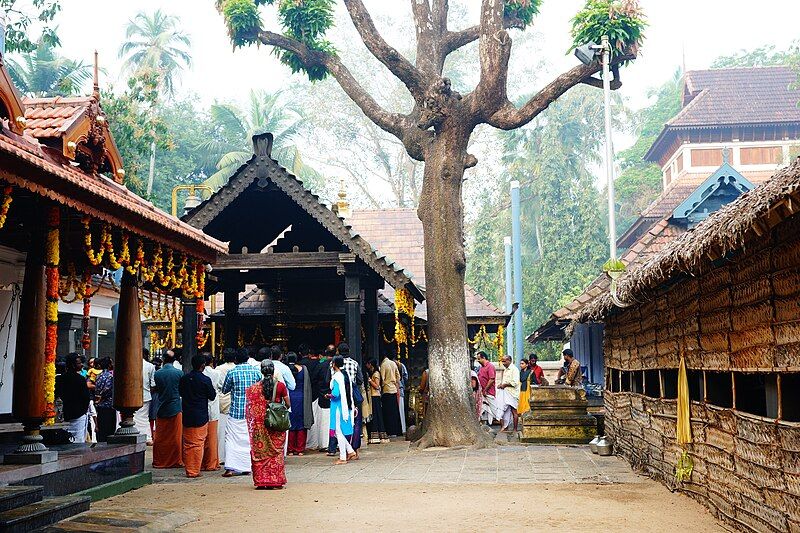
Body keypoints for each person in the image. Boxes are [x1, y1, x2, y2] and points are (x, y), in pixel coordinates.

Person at [245, 360, 289, 489]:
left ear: (261, 371)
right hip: (275, 424)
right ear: (273, 370)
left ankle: (261, 481)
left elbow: (250, 408)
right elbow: (288, 404)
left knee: (260, 452)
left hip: (259, 426)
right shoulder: (280, 386)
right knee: (276, 453)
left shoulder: (253, 388)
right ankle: (275, 480)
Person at [221, 348, 263, 477]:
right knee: (249, 440)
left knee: (231, 440)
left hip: (236, 412)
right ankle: (247, 466)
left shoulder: (232, 372)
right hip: (251, 412)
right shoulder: (256, 372)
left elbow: (224, 390)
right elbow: (261, 387)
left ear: (235, 360)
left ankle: (231, 467)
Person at [179, 355, 217, 478]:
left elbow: (180, 392)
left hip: (187, 414)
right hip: (200, 415)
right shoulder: (205, 380)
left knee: (188, 444)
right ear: (203, 366)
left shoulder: (184, 379)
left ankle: (190, 468)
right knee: (198, 443)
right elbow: (212, 396)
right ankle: (194, 470)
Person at [153, 351, 183, 469]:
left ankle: (160, 460)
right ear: (174, 360)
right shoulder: (179, 373)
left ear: (164, 359)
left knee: (161, 436)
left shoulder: (158, 374)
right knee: (175, 436)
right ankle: (176, 460)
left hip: (161, 406)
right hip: (175, 406)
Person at [55, 353, 91, 443]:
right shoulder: (81, 379)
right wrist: (84, 410)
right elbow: (86, 398)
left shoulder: (60, 379)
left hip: (66, 413)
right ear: (73, 365)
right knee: (78, 440)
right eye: (79, 363)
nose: (81, 365)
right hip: (79, 414)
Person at [329, 356, 356, 464]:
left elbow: (336, 394)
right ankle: (350, 450)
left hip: (337, 407)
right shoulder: (345, 375)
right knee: (339, 431)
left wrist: (328, 395)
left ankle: (343, 457)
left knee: (338, 432)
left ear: (334, 364)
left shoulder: (336, 377)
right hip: (344, 406)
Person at [338, 342, 363, 451]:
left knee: (340, 421)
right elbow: (360, 380)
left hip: (338, 395)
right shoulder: (354, 363)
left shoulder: (334, 364)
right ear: (349, 352)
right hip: (352, 394)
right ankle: (354, 446)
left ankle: (341, 447)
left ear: (338, 351)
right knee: (355, 421)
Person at [287, 353, 314, 455]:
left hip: (289, 398)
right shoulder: (304, 369)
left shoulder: (286, 369)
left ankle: (290, 449)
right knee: (301, 423)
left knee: (290, 423)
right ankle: (300, 449)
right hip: (302, 398)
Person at [216, 349, 236, 464]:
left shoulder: (218, 369)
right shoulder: (235, 369)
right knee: (233, 431)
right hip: (233, 400)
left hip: (221, 400)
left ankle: (221, 456)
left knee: (221, 429)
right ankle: (231, 456)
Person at [202, 353, 222, 471]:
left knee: (201, 436)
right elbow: (220, 386)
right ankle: (212, 462)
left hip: (201, 406)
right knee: (213, 436)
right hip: (213, 406)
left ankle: (201, 461)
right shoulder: (216, 373)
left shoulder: (201, 374)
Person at [300, 346, 322, 450]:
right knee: (315, 417)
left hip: (301, 393)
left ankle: (303, 443)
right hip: (315, 392)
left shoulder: (299, 364)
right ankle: (314, 442)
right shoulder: (316, 363)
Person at [313, 345, 334, 452]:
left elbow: (314, 379)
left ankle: (324, 443)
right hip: (335, 396)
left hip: (322, 395)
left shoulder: (320, 365)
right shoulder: (335, 365)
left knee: (324, 421)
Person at [135, 349, 156, 445]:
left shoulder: (133, 364)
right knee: (144, 417)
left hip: (133, 395)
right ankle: (147, 437)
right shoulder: (150, 366)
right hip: (146, 395)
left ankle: (137, 434)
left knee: (134, 417)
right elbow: (153, 384)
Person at [380, 353, 402, 437]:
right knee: (395, 412)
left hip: (386, 389)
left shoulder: (383, 365)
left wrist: (384, 385)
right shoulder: (393, 363)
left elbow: (382, 378)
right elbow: (398, 377)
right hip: (394, 389)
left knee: (388, 412)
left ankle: (389, 431)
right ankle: (396, 431)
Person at [365, 359, 387, 444]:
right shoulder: (373, 373)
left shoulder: (376, 373)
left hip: (375, 396)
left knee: (376, 415)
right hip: (373, 396)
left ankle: (378, 435)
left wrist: (370, 381)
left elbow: (377, 386)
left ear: (370, 364)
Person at [497, 355, 521, 432]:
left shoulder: (514, 369)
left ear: (510, 360)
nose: (503, 363)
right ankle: (505, 427)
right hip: (505, 393)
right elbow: (504, 381)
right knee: (504, 411)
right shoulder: (506, 370)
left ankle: (515, 429)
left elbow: (515, 382)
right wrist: (501, 385)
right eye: (502, 361)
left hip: (513, 393)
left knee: (514, 411)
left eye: (505, 361)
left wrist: (505, 385)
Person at [94, 357, 115, 442]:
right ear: (109, 365)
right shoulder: (110, 376)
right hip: (108, 405)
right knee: (108, 430)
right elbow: (108, 389)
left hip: (100, 406)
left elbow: (97, 389)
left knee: (101, 428)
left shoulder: (99, 376)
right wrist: (102, 397)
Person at [476, 352, 498, 425]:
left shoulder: (490, 366)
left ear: (484, 358)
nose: (478, 360)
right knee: (482, 408)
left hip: (488, 392)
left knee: (494, 409)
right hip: (482, 392)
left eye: (479, 359)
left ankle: (503, 425)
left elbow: (491, 379)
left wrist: (485, 390)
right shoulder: (481, 367)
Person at [149, 355, 163, 440]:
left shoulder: (154, 372)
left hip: (153, 395)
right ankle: (157, 435)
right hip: (158, 395)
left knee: (152, 416)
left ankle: (153, 435)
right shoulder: (160, 373)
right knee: (156, 417)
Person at [396, 356, 409, 435]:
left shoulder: (393, 365)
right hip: (401, 388)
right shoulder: (401, 365)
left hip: (396, 389)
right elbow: (406, 377)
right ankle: (403, 428)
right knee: (401, 410)